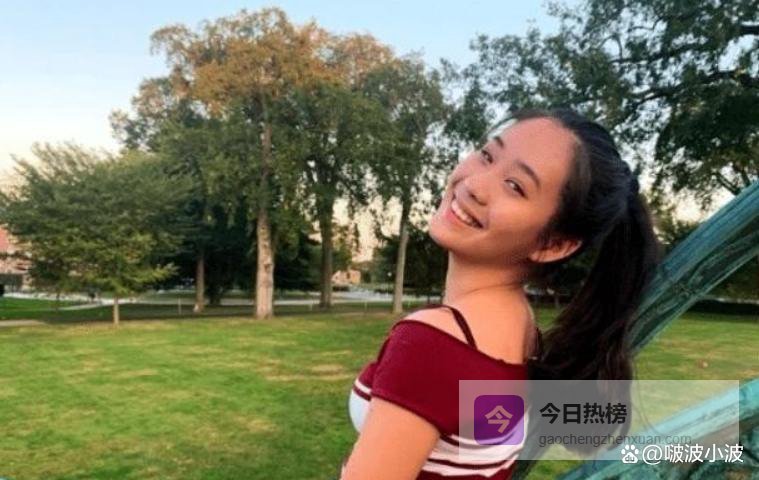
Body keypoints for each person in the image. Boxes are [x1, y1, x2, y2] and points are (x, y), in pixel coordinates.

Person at [339, 108, 663, 479]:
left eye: (515, 186)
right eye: (487, 155)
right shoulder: (523, 330)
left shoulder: (433, 344)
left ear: (553, 244)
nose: (475, 185)